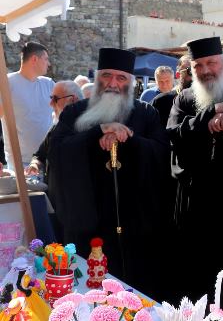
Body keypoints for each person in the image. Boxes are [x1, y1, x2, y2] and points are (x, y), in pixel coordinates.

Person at [47, 48, 169, 296]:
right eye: (107, 76)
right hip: (89, 225)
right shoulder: (74, 113)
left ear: (130, 82)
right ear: (98, 78)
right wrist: (97, 131)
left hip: (137, 227)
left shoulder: (146, 114)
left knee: (139, 295)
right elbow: (56, 152)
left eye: (121, 78)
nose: (113, 83)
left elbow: (162, 155)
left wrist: (128, 136)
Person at [166, 37, 223, 301]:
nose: (206, 69)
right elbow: (173, 134)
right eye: (198, 65)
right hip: (196, 203)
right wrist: (208, 113)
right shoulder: (184, 99)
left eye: (211, 62)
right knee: (198, 278)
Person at [0, 42, 55, 172]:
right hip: (20, 165)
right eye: (46, 59)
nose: (49, 63)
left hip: (47, 160)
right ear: (34, 59)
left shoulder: (49, 84)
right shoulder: (7, 84)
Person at [25, 81, 83, 180]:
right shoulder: (56, 128)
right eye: (51, 98)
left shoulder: (87, 128)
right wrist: (35, 164)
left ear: (72, 100)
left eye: (55, 99)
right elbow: (39, 155)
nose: (51, 104)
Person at [150, 55, 192, 128]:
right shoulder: (161, 101)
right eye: (190, 71)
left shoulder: (212, 100)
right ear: (178, 75)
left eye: (198, 68)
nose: (196, 74)